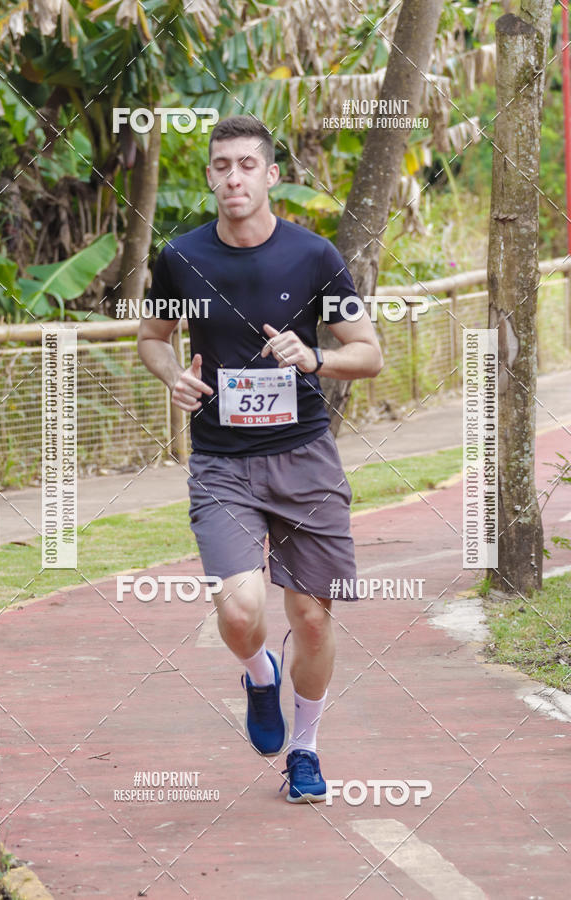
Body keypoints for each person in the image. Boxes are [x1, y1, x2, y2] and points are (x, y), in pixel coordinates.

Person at [137, 115, 383, 803]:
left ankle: (304, 750)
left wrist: (315, 357)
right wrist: (172, 375)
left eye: (248, 165)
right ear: (210, 176)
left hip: (304, 458)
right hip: (222, 462)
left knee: (312, 617)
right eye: (222, 166)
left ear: (271, 175)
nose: (234, 178)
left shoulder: (314, 256)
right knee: (243, 612)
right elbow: (152, 336)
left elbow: (369, 353)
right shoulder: (180, 258)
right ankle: (259, 674)